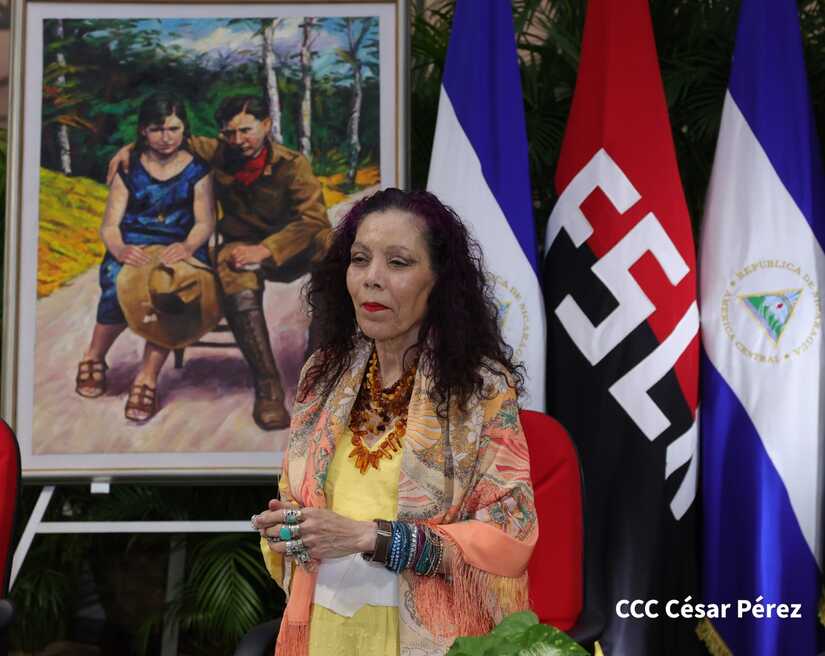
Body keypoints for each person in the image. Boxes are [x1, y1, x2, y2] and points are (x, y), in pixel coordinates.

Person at [250, 188, 537, 656]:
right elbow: (298, 506)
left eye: (398, 263)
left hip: (432, 637)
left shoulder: (481, 389)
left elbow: (509, 533)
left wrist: (371, 538)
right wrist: (289, 530)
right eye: (360, 259)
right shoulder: (322, 376)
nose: (372, 279)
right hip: (325, 627)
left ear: (438, 280)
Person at [109, 95, 332, 431]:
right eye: (229, 133)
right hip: (240, 245)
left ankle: (318, 367)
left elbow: (313, 219)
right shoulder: (219, 152)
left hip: (291, 246)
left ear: (266, 125)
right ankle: (268, 386)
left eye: (246, 130)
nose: (238, 140)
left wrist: (266, 249)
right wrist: (129, 149)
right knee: (230, 267)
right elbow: (170, 139)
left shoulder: (293, 164)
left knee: (332, 247)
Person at [76, 92, 215, 422]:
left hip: (178, 247)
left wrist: (188, 247)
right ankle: (94, 356)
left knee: (170, 291)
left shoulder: (198, 170)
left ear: (184, 129)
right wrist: (120, 249)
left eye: (173, 128)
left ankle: (147, 378)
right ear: (143, 131)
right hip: (134, 244)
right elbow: (110, 225)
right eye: (157, 129)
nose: (166, 137)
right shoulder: (129, 168)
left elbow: (205, 222)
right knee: (115, 282)